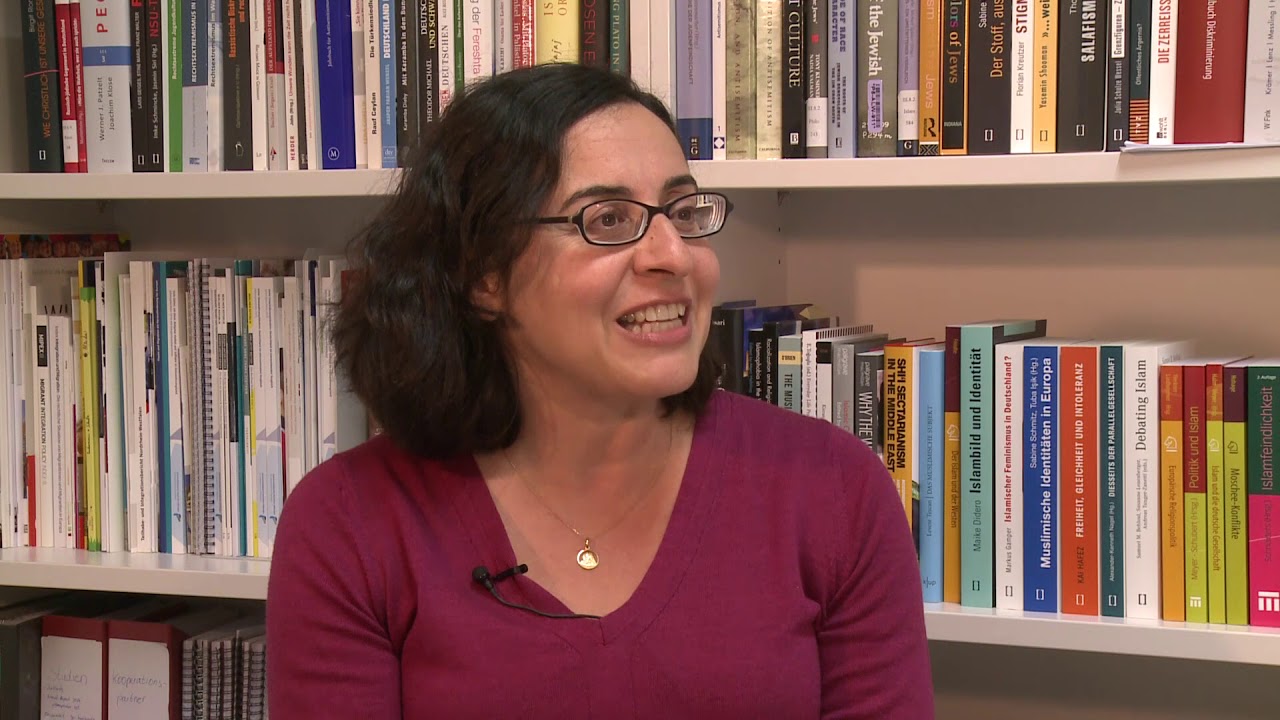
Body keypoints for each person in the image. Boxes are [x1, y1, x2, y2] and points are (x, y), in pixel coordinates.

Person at [265, 62, 934, 718]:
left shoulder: (832, 489)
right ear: (483, 276)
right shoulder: (350, 522)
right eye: (607, 220)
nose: (672, 254)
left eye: (684, 210)